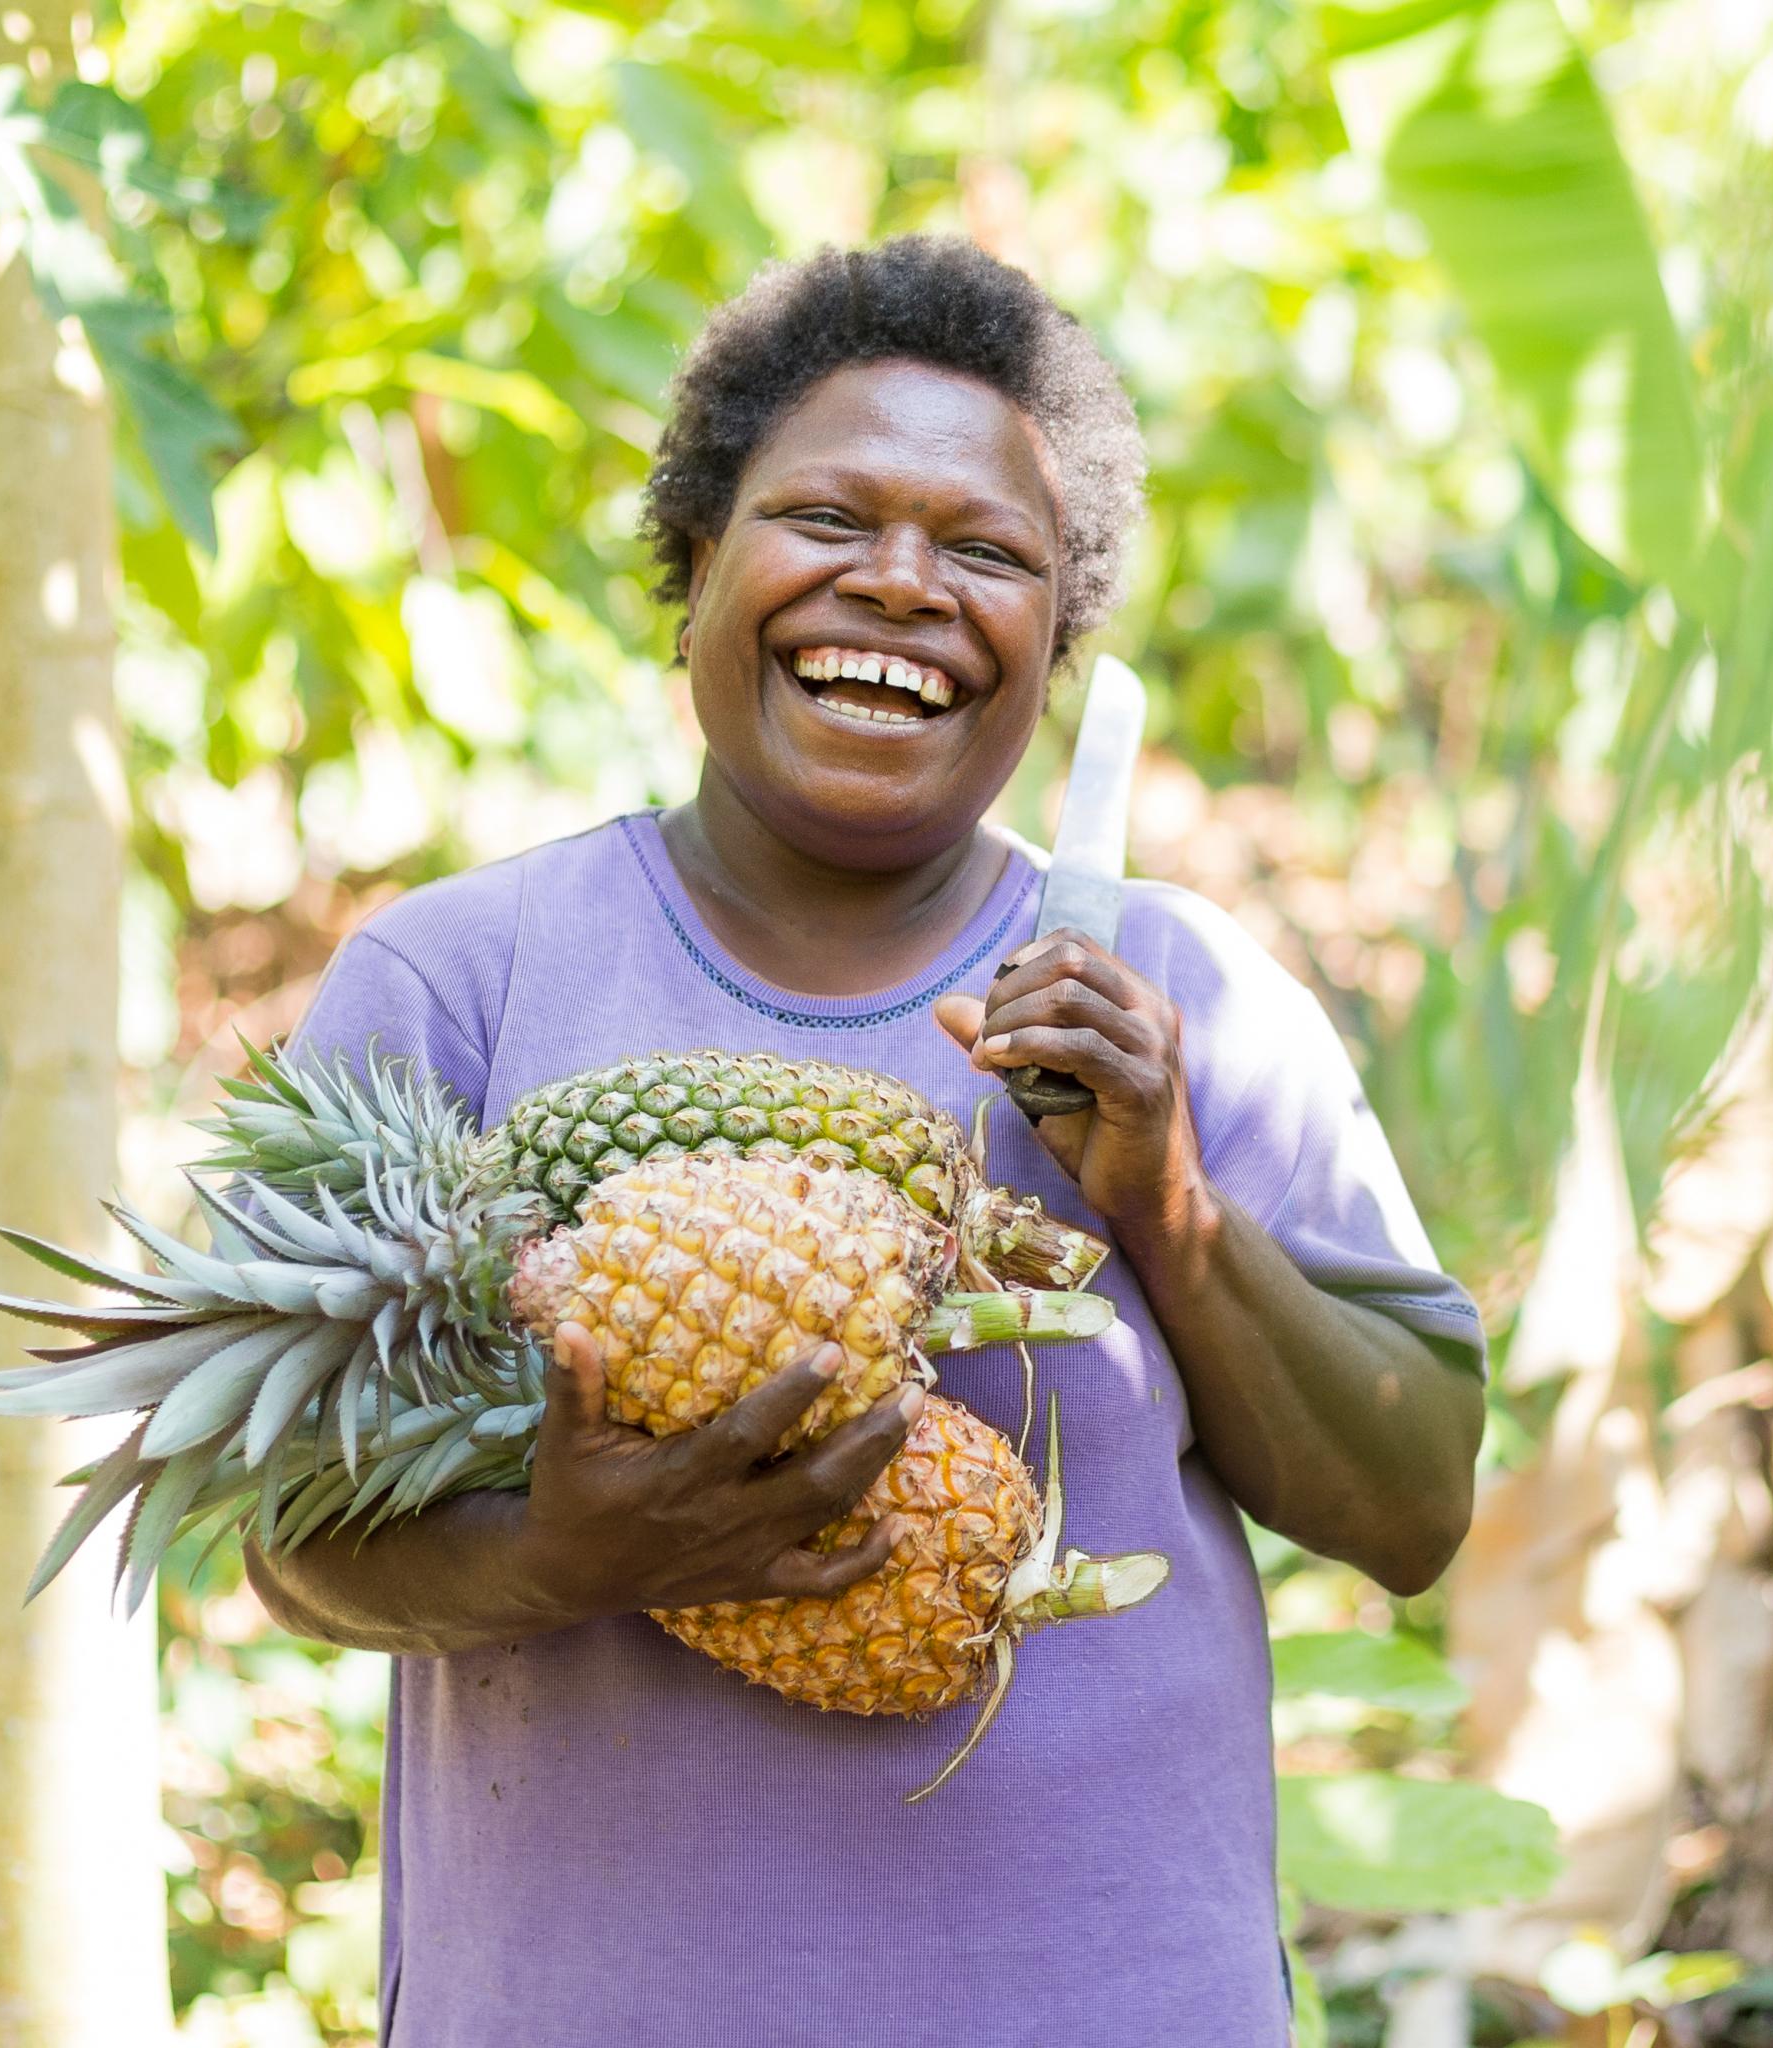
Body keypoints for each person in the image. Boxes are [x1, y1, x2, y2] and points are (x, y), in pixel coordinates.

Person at [242, 237, 1488, 2044]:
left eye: (986, 553)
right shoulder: (461, 984)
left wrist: (1172, 1206)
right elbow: (289, 1531)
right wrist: (563, 1563)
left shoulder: (1185, 996)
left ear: (1054, 653)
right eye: (828, 517)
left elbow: (1416, 1504)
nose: (900, 584)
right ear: (693, 575)